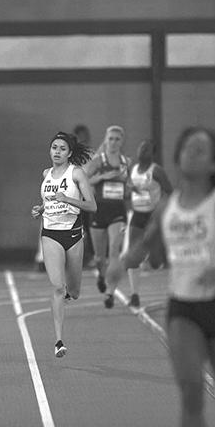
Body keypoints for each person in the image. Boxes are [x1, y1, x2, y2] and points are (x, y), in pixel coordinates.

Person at [106, 127, 215, 427]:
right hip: (183, 310)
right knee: (191, 390)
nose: (191, 152)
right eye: (186, 147)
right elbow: (143, 247)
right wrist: (120, 263)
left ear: (213, 165)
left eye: (200, 149)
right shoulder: (168, 207)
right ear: (178, 158)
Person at [31, 131, 96, 358]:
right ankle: (59, 341)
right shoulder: (46, 174)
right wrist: (41, 209)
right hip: (50, 234)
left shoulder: (76, 173)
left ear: (69, 153)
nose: (57, 152)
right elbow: (48, 201)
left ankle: (70, 293)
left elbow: (92, 206)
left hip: (73, 235)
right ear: (50, 150)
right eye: (54, 148)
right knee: (57, 287)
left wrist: (68, 199)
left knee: (74, 291)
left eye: (62, 149)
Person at [84, 125, 131, 309]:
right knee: (99, 257)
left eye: (117, 139)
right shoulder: (98, 160)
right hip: (99, 210)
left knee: (114, 251)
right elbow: (82, 181)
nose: (113, 142)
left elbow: (130, 188)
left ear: (122, 141)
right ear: (106, 139)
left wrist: (127, 187)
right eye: (110, 138)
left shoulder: (126, 162)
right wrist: (103, 177)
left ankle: (110, 292)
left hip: (118, 211)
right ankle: (101, 275)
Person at [124, 139, 173, 307]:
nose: (142, 151)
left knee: (156, 262)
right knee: (132, 256)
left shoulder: (156, 171)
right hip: (138, 215)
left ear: (153, 154)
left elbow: (170, 192)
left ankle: (155, 259)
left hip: (153, 217)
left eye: (147, 149)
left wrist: (162, 210)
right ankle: (134, 295)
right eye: (141, 147)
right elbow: (128, 189)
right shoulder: (133, 170)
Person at [73, 124, 95, 266]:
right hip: (74, 197)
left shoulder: (93, 154)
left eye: (85, 135)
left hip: (88, 196)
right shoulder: (71, 156)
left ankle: (93, 255)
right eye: (80, 136)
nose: (83, 138)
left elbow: (96, 173)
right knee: (72, 227)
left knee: (89, 226)